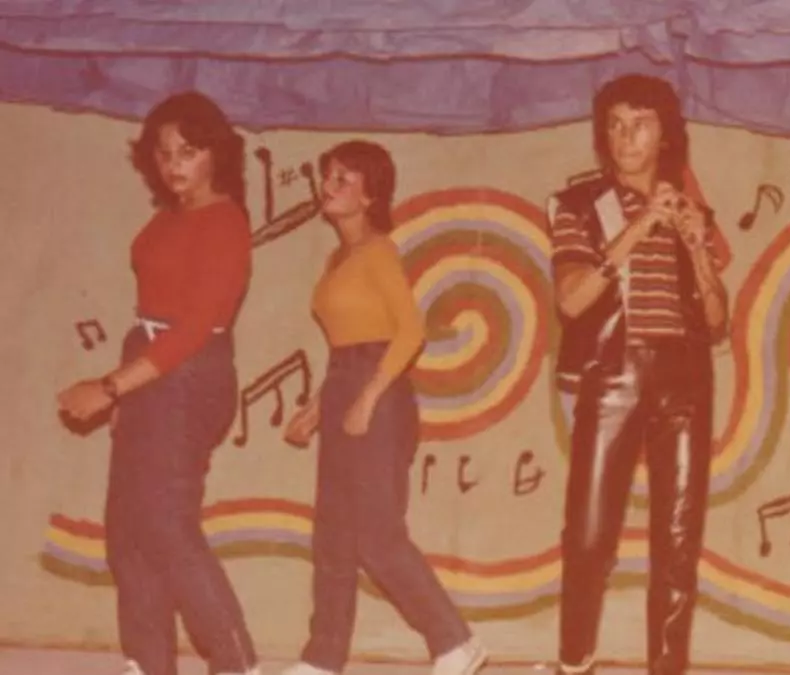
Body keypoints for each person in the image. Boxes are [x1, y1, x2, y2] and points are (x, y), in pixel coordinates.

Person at [56, 91, 259, 675]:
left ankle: (237, 663)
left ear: (216, 154)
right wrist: (129, 391)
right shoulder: (171, 216)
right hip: (152, 370)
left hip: (190, 373)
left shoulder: (224, 221)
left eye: (187, 151)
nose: (173, 164)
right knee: (128, 531)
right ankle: (148, 663)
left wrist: (112, 387)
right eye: (164, 153)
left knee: (166, 525)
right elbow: (151, 317)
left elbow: (194, 327)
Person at [280, 140, 487, 675]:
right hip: (345, 382)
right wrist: (319, 406)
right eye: (327, 175)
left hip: (381, 393)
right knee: (332, 534)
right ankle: (322, 658)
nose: (328, 186)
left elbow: (409, 332)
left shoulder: (379, 251)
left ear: (370, 195)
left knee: (376, 535)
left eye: (343, 178)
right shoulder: (338, 258)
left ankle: (456, 643)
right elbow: (346, 346)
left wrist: (369, 397)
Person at [546, 74, 729, 675]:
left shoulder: (692, 210)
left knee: (678, 540)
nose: (626, 138)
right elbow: (572, 300)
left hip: (685, 380)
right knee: (590, 535)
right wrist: (637, 228)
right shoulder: (577, 204)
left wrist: (697, 247)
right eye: (615, 126)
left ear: (665, 135)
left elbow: (716, 320)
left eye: (640, 125)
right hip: (612, 375)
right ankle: (575, 662)